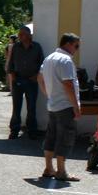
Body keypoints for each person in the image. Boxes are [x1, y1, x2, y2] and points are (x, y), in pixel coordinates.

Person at [37, 33, 82, 182]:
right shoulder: (65, 60)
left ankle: (49, 168)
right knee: (65, 137)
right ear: (68, 44)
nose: (77, 49)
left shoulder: (49, 58)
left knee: (51, 136)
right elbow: (68, 84)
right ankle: (61, 171)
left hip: (53, 104)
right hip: (65, 105)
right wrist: (76, 107)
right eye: (76, 46)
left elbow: (39, 77)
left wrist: (48, 94)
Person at [7, 25, 44, 139]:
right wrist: (12, 76)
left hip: (31, 80)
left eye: (22, 34)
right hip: (18, 79)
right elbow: (11, 62)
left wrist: (37, 76)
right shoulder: (16, 47)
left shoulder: (37, 47)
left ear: (29, 35)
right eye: (19, 34)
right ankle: (14, 130)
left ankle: (32, 130)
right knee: (16, 107)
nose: (20, 36)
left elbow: (42, 63)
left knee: (31, 107)